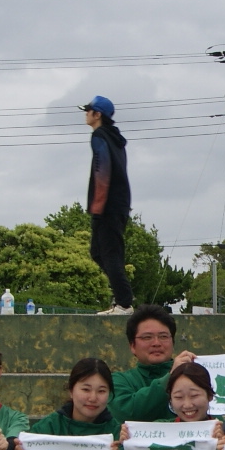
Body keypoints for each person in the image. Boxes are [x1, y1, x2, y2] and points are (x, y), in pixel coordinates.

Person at [81, 95, 133, 315]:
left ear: (97, 114)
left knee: (109, 254)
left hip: (108, 206)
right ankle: (122, 297)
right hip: (119, 203)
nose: (86, 114)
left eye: (88, 110)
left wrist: (98, 207)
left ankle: (124, 304)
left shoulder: (100, 136)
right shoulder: (115, 138)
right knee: (98, 253)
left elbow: (102, 171)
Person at [109, 306, 197, 422]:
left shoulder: (195, 376)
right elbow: (127, 413)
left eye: (163, 336)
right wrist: (171, 377)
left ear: (173, 342)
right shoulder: (119, 381)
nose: (156, 343)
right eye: (147, 337)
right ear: (132, 346)